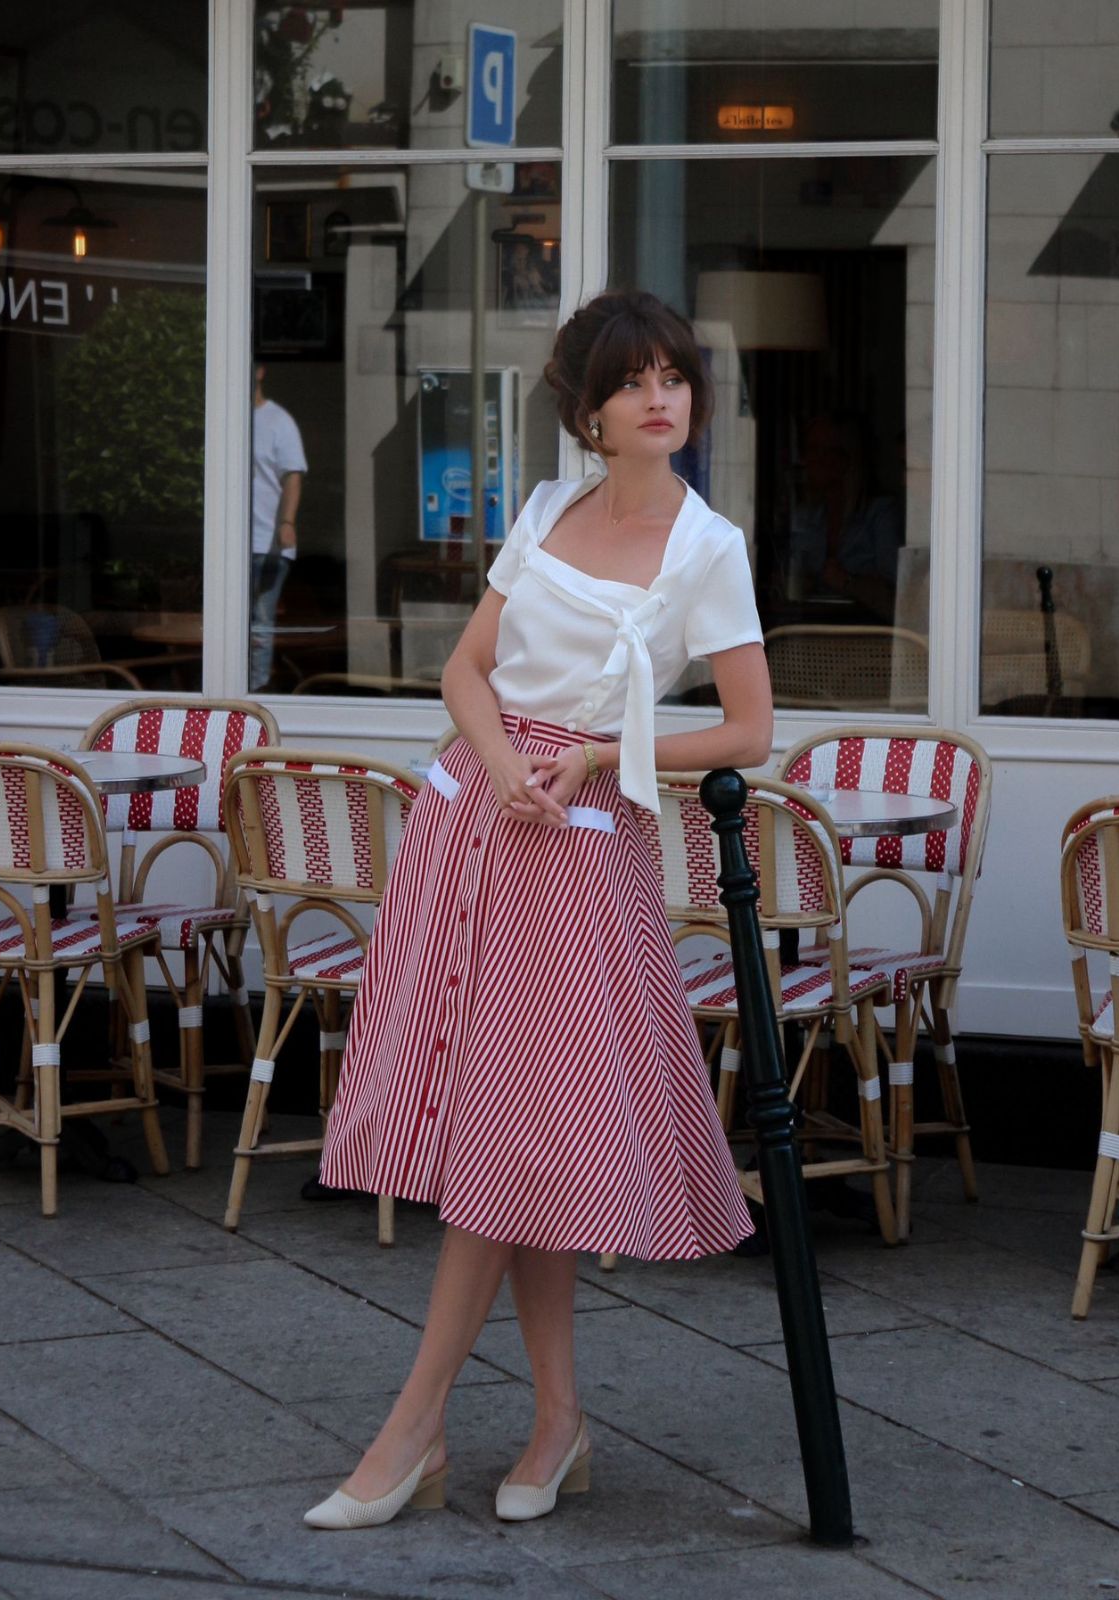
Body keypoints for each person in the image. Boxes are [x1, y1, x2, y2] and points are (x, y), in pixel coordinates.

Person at [304, 289, 774, 1532]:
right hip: (472, 824)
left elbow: (750, 729)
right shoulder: (548, 510)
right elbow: (467, 667)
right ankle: (557, 1417)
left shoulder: (707, 547)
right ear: (588, 408)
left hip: (579, 850)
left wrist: (603, 759)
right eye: (634, 381)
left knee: (512, 1141)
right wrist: (501, 761)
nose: (661, 397)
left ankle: (413, 1426)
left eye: (674, 375)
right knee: (516, 1142)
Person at [786, 411, 903, 621]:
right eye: (809, 450)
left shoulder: (880, 515)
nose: (811, 460)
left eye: (823, 451)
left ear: (848, 457)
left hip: (869, 640)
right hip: (807, 636)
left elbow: (899, 599)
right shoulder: (806, 517)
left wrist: (847, 582)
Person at [250, 363, 307, 690]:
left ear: (260, 371)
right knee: (232, 625)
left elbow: (292, 476)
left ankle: (256, 692)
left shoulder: (278, 421)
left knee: (259, 622)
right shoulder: (228, 416)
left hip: (266, 542)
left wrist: (286, 522)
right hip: (234, 544)